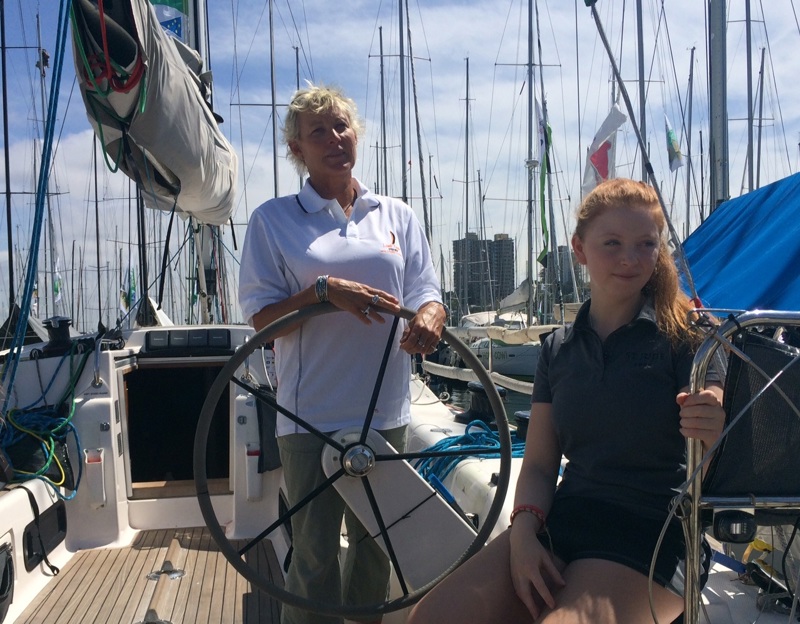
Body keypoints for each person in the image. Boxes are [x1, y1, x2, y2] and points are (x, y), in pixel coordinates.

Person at [407, 178, 726, 624]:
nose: (630, 258)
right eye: (612, 243)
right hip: (569, 518)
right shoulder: (557, 348)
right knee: (430, 619)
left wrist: (710, 416)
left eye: (645, 244)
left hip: (654, 532)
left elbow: (711, 420)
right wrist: (522, 535)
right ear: (579, 249)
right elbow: (538, 465)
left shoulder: (689, 337)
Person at [238, 84, 447, 624]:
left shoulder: (395, 214)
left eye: (341, 127)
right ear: (297, 150)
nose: (334, 139)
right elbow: (262, 323)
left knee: (378, 555)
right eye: (317, 132)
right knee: (313, 561)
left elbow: (427, 291)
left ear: (356, 135)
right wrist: (324, 292)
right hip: (310, 418)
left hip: (386, 415)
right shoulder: (273, 220)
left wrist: (430, 317)